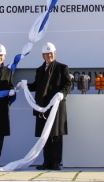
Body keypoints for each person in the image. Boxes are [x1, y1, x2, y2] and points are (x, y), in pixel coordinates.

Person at [27, 42, 72, 171]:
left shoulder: (62, 68)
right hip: (43, 106)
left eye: (51, 53)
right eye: (46, 54)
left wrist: (61, 94)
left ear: (55, 53)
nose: (49, 55)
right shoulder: (40, 70)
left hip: (57, 105)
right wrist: (25, 86)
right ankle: (47, 161)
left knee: (56, 135)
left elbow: (67, 84)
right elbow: (37, 85)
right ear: (43, 55)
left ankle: (56, 162)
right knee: (44, 135)